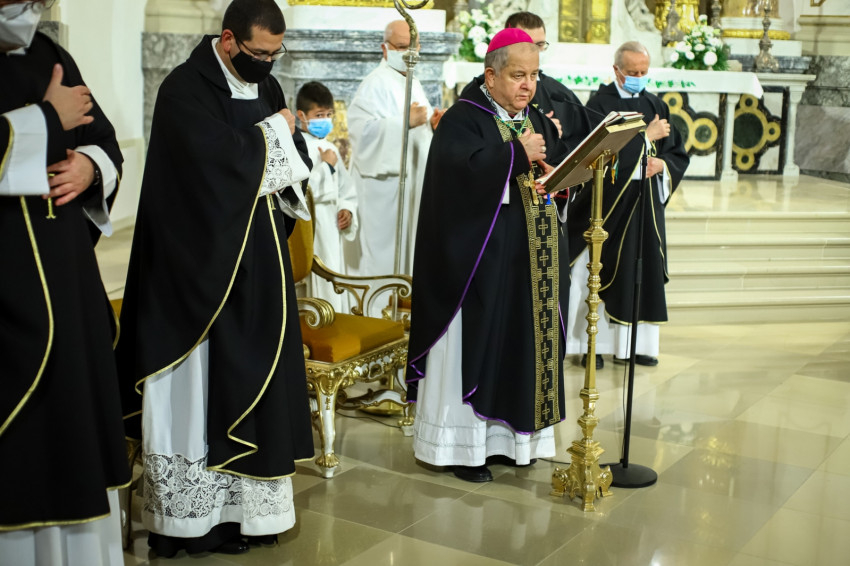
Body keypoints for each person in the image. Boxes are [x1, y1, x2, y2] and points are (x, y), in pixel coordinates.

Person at [115, 0, 314, 558]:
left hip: (257, 266)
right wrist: (273, 137)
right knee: (196, 392)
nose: (267, 64)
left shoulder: (266, 86)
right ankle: (187, 523)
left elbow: (288, 151)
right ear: (228, 40)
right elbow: (207, 169)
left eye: (275, 54)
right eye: (259, 53)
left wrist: (288, 140)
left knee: (252, 381)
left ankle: (243, 516)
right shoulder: (184, 90)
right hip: (194, 273)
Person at [406, 28, 570, 483]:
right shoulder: (463, 119)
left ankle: (511, 444)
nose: (528, 86)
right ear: (491, 76)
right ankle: (464, 450)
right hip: (476, 269)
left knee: (518, 350)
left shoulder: (534, 120)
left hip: (526, 266)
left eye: (534, 76)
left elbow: (548, 174)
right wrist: (516, 154)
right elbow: (457, 183)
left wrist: (559, 180)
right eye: (518, 75)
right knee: (476, 348)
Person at [0, 0, 130, 563]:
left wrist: (90, 166)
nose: (28, 11)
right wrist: (47, 120)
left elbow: (104, 138)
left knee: (73, 407)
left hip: (66, 279)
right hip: (10, 284)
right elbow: (53, 121)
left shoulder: (50, 53)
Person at [566, 41, 689, 368]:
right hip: (608, 207)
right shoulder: (599, 105)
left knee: (642, 269)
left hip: (645, 207)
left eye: (643, 71)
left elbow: (676, 154)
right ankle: (593, 347)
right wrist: (646, 138)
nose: (638, 77)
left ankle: (637, 346)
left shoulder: (655, 104)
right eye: (632, 72)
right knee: (598, 270)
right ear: (616, 70)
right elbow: (595, 155)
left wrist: (662, 165)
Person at [347, 19, 443, 276]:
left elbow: (418, 129)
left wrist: (432, 126)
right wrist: (403, 122)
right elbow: (360, 132)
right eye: (401, 47)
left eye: (414, 46)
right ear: (385, 48)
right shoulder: (375, 83)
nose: (409, 53)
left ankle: (405, 298)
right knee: (384, 259)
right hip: (384, 189)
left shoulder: (412, 82)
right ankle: (380, 302)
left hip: (412, 184)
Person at [459, 11, 593, 154]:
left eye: (540, 45)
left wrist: (551, 137)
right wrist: (522, 146)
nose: (527, 85)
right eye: (526, 44)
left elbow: (581, 146)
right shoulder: (476, 97)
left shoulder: (560, 93)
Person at [295, 81, 358, 313]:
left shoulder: (330, 146)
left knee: (334, 276)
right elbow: (301, 191)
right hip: (310, 223)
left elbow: (346, 189)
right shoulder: (297, 147)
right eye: (319, 115)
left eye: (329, 114)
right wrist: (327, 167)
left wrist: (346, 209)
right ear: (301, 115)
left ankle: (336, 318)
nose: (325, 120)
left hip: (331, 224)